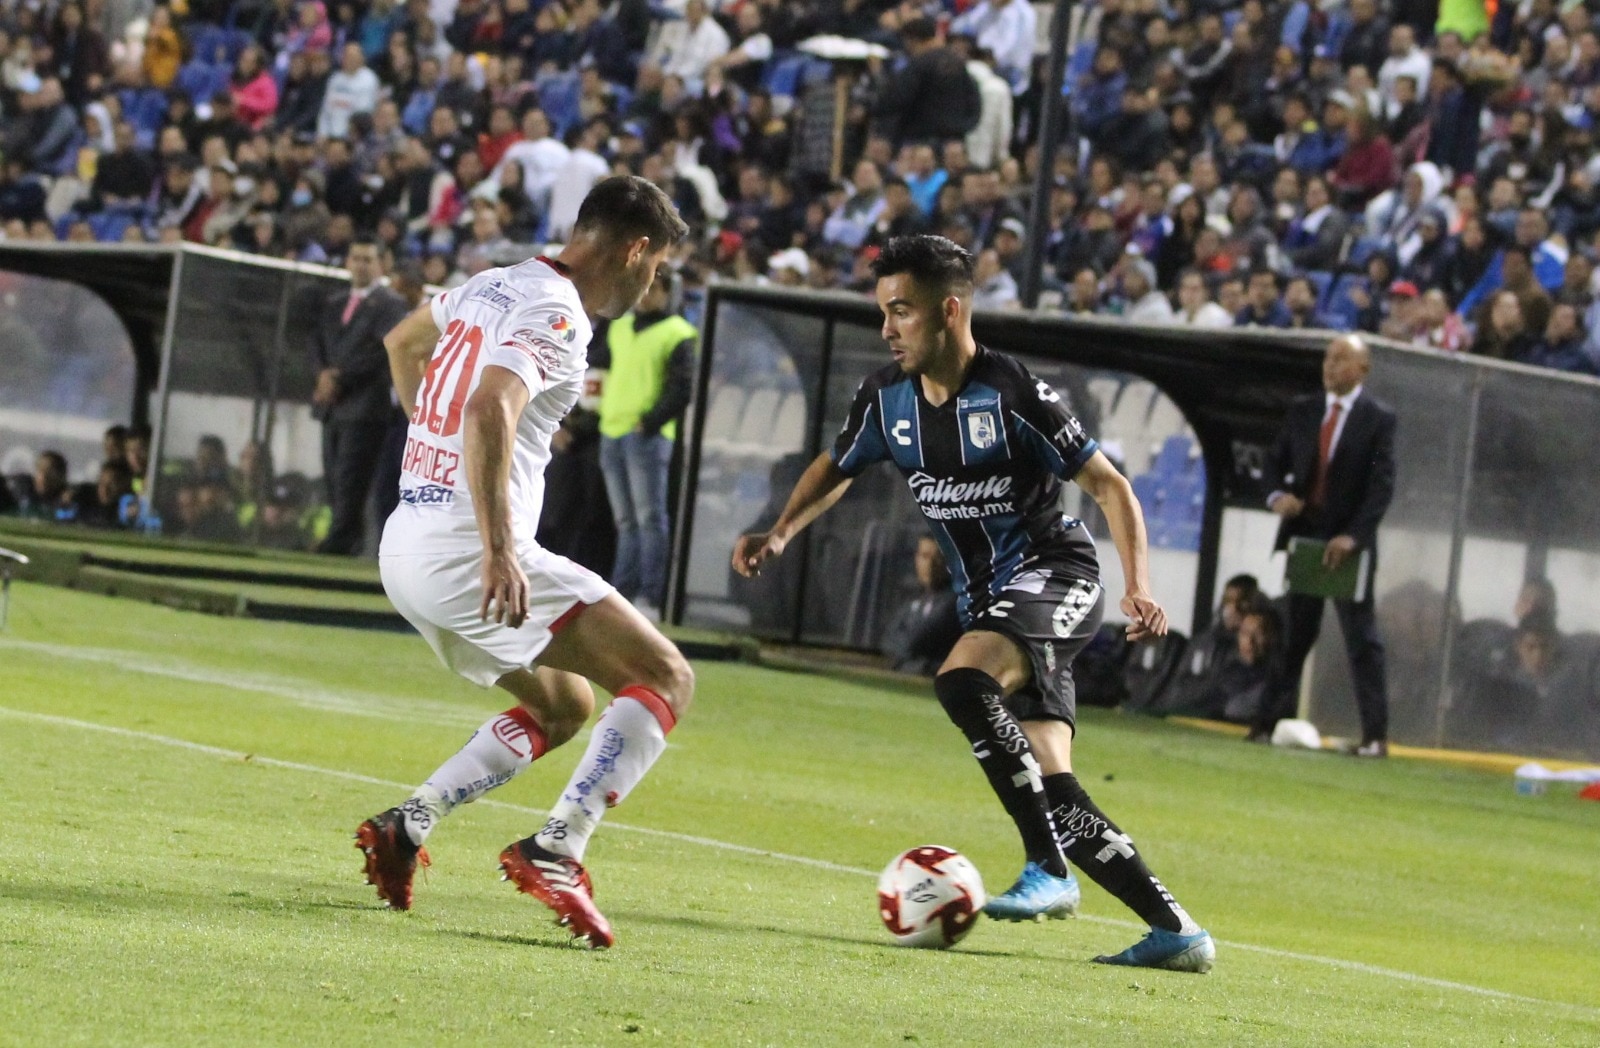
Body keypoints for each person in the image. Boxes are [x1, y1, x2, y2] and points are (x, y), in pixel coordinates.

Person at [731, 235, 1214, 973]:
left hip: (1059, 576)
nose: (887, 328)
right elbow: (838, 465)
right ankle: (1176, 929)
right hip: (992, 601)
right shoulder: (885, 400)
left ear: (949, 310)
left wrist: (1138, 585)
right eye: (883, 312)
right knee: (1056, 786)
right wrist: (781, 531)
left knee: (961, 678)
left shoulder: (1014, 393)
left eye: (902, 312)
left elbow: (1111, 486)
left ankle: (1046, 869)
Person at [357, 175, 692, 951]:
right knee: (666, 676)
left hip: (406, 542)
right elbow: (488, 406)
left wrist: (429, 440)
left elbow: (402, 342)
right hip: (467, 551)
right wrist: (501, 548)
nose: (652, 285)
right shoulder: (558, 314)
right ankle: (559, 848)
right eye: (658, 267)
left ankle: (407, 824)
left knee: (566, 706)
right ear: (636, 249)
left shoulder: (495, 282)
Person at [1249, 335, 1397, 757]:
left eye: (1340, 360)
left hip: (1349, 544)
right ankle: (1263, 724)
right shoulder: (1305, 410)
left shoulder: (1378, 419)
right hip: (1307, 536)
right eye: (1327, 359)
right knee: (1294, 633)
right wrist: (1278, 496)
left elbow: (1381, 487)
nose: (1329, 367)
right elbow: (1273, 463)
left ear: (1362, 369)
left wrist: (1354, 537)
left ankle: (1374, 736)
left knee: (1361, 639)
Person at [597, 266, 696, 614]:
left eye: (655, 289)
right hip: (612, 430)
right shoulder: (620, 325)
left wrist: (650, 422)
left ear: (668, 293)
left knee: (649, 519)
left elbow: (683, 388)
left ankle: (649, 597)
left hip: (647, 437)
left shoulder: (678, 333)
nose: (646, 295)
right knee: (627, 521)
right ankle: (623, 595)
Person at [309, 235, 409, 554]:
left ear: (382, 263)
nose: (360, 265)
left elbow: (381, 351)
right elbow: (317, 342)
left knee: (351, 476)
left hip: (365, 406)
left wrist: (339, 377)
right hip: (333, 405)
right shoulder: (334, 302)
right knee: (332, 472)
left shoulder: (392, 304)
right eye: (356, 258)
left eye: (368, 258)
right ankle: (344, 537)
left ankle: (341, 539)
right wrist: (322, 374)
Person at [880, 536, 963, 675]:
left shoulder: (955, 601)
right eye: (924, 556)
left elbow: (916, 640)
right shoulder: (913, 597)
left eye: (937, 558)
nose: (930, 564)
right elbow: (888, 639)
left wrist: (906, 658)